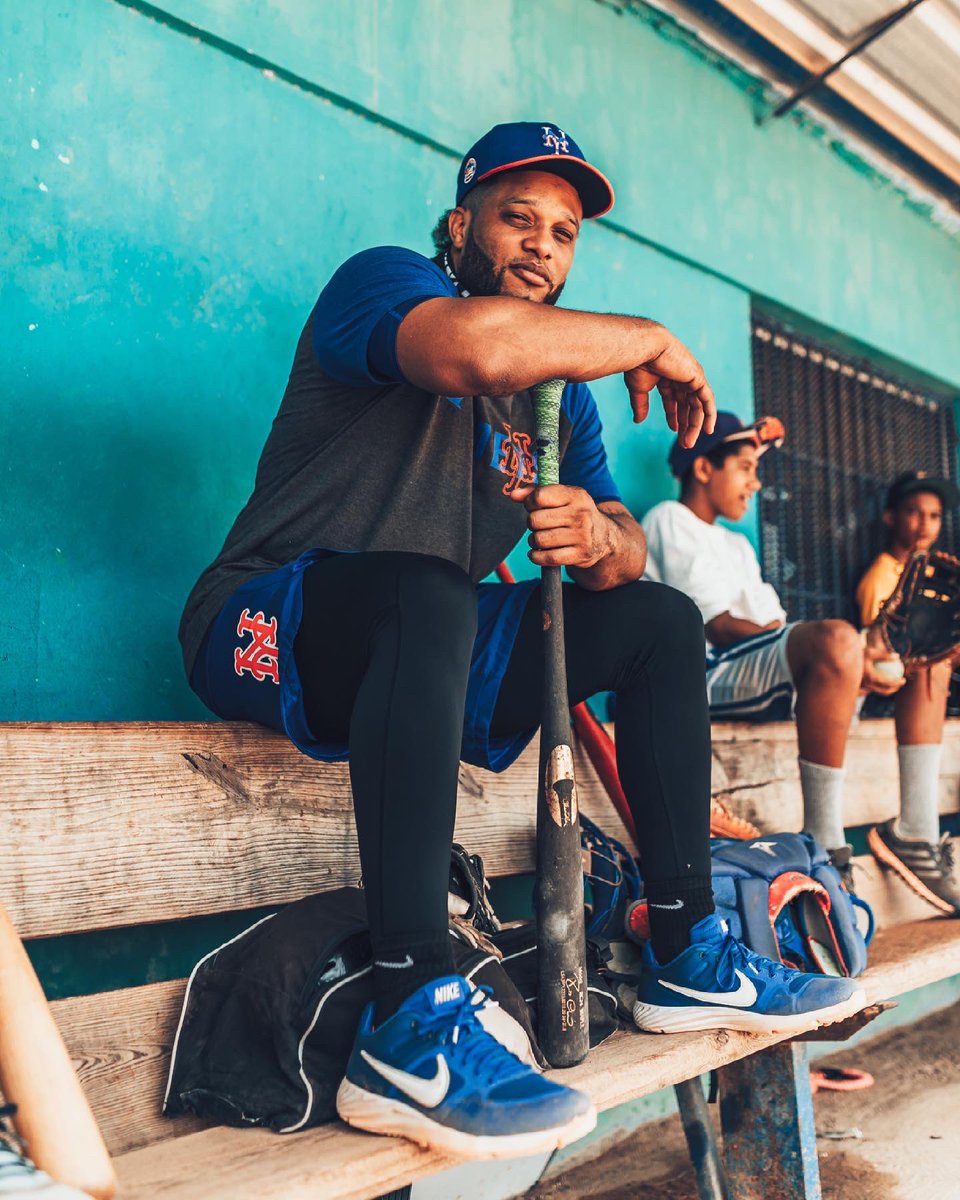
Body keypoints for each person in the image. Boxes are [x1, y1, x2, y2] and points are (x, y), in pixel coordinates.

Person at [179, 124, 862, 1160]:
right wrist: (653, 339)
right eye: (518, 219)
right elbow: (474, 348)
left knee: (656, 620)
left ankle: (689, 949)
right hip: (267, 622)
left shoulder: (560, 394)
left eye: (565, 232)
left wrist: (600, 540)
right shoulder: (385, 283)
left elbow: (630, 547)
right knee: (430, 596)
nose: (544, 247)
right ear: (461, 225)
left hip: (429, 651)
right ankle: (406, 1027)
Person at [641, 412, 906, 890]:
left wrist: (858, 660)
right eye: (745, 467)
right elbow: (718, 626)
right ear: (704, 468)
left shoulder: (738, 545)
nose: (754, 483)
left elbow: (776, 626)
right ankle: (828, 843)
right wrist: (832, 646)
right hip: (699, 677)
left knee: (885, 659)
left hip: (747, 671)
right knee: (837, 641)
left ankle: (911, 835)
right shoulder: (669, 519)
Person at [856, 471, 960, 914]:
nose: (924, 523)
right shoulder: (884, 574)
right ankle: (916, 832)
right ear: (891, 516)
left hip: (932, 694)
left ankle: (923, 835)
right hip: (884, 689)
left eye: (934, 515)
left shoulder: (940, 573)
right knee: (928, 663)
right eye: (915, 512)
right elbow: (881, 648)